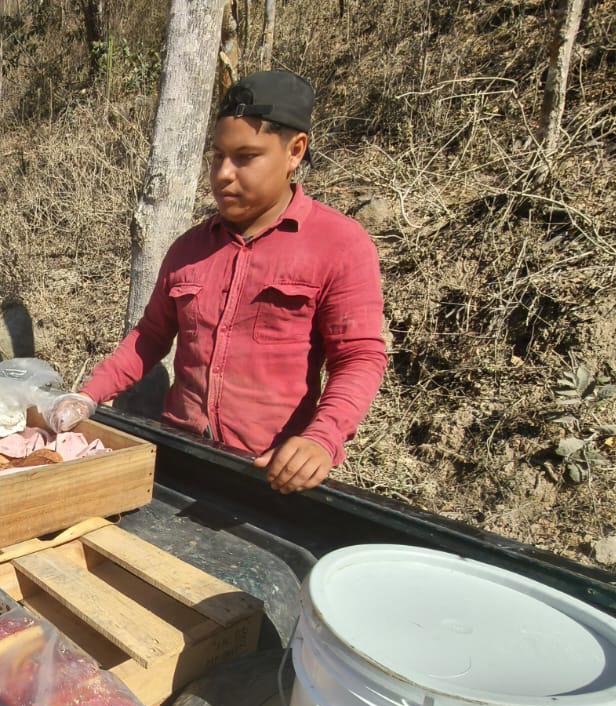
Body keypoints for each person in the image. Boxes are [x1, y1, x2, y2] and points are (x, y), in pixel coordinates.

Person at [49, 70, 387, 494]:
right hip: (177, 460)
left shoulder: (339, 244)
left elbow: (358, 357)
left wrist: (323, 437)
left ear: (295, 151)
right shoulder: (189, 248)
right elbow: (150, 336)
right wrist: (89, 395)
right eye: (217, 156)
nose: (223, 174)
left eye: (245, 157)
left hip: (269, 476)